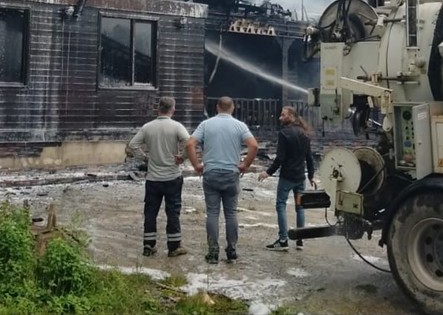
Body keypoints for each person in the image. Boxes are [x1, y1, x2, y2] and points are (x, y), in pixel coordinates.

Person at [187, 96, 258, 265]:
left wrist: (196, 165)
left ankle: (212, 251)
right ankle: (231, 250)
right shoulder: (240, 126)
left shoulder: (206, 124)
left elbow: (190, 144)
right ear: (232, 108)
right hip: (231, 174)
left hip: (210, 173)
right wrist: (245, 165)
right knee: (231, 213)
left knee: (212, 213)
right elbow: (254, 146)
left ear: (217, 107)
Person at [127, 97, 191, 258]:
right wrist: (182, 157)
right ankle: (174, 247)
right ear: (173, 109)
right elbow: (190, 143)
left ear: (158, 109)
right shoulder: (176, 126)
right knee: (173, 211)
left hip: (153, 179)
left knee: (150, 212)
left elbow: (133, 145)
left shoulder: (148, 127)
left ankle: (148, 246)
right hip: (172, 177)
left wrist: (145, 159)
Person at [258, 105, 315, 251]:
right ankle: (300, 239)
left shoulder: (284, 133)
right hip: (300, 177)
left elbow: (280, 158)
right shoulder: (304, 133)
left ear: (291, 116)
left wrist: (268, 172)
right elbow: (309, 157)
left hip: (287, 178)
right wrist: (311, 176)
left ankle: (283, 240)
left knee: (281, 205)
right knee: (300, 208)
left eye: (283, 115)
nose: (280, 117)